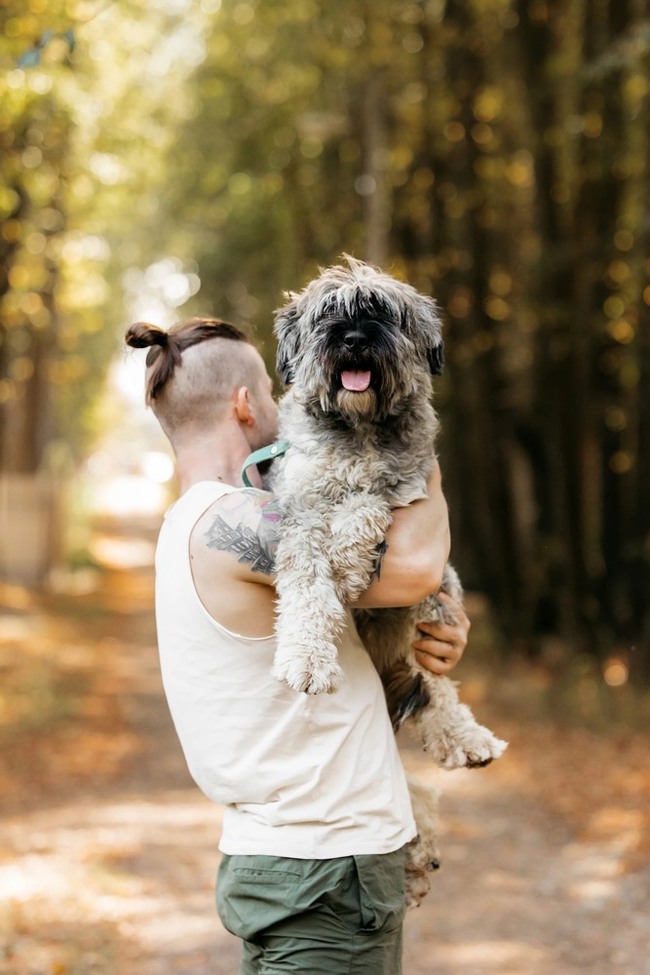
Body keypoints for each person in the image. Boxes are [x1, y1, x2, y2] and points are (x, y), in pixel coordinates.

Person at [125, 315, 470, 975]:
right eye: (275, 394)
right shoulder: (239, 522)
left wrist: (435, 636)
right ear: (244, 404)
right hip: (326, 873)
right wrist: (413, 436)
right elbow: (418, 560)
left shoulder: (193, 524)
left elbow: (397, 601)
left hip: (293, 865)